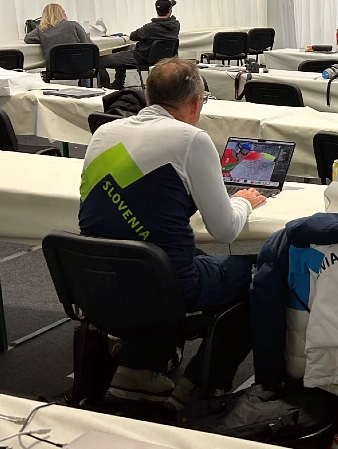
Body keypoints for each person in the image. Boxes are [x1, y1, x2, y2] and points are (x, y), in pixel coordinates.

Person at [79, 57, 266, 408]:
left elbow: (146, 201)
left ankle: (139, 367)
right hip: (166, 282)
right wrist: (243, 201)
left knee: (175, 255)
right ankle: (200, 384)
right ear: (196, 102)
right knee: (264, 273)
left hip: (101, 277)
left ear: (148, 97)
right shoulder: (191, 139)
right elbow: (224, 228)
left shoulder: (104, 132)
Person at [98, 0, 181, 89]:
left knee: (99, 62)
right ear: (170, 10)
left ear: (156, 10)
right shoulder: (175, 25)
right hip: (162, 59)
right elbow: (170, 15)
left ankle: (106, 91)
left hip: (140, 58)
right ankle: (118, 84)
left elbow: (133, 36)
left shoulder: (149, 28)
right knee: (124, 49)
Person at [24, 3, 92, 65]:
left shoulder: (41, 29)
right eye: (63, 12)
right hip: (79, 66)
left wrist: (43, 39)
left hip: (56, 68)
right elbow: (90, 46)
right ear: (61, 13)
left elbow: (28, 38)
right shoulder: (74, 25)